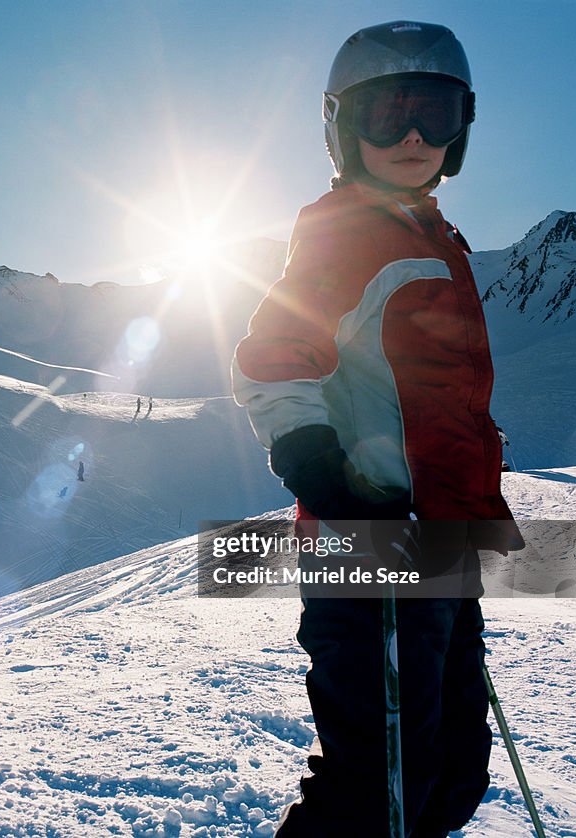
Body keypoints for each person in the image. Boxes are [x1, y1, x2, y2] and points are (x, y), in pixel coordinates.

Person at [231, 21, 523, 836]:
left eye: (433, 111)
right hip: (368, 547)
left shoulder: (434, 234)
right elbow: (271, 360)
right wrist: (321, 469)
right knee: (375, 788)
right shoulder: (342, 232)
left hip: (441, 545)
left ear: (463, 123)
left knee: (451, 779)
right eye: (385, 114)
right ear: (341, 125)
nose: (413, 136)